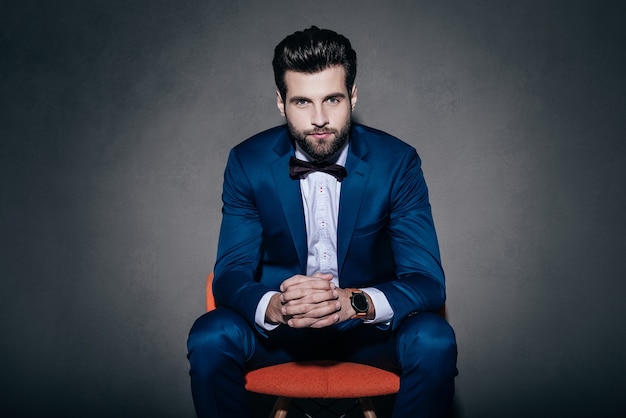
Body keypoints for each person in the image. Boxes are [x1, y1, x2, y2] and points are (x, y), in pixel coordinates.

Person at [187, 26, 458, 418]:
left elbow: (428, 282)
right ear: (281, 103)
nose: (319, 119)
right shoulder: (248, 162)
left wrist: (355, 302)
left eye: (332, 99)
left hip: (368, 336)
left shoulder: (397, 163)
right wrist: (279, 306)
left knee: (434, 340)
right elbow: (230, 274)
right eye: (302, 102)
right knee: (210, 336)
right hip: (280, 338)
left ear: (353, 95)